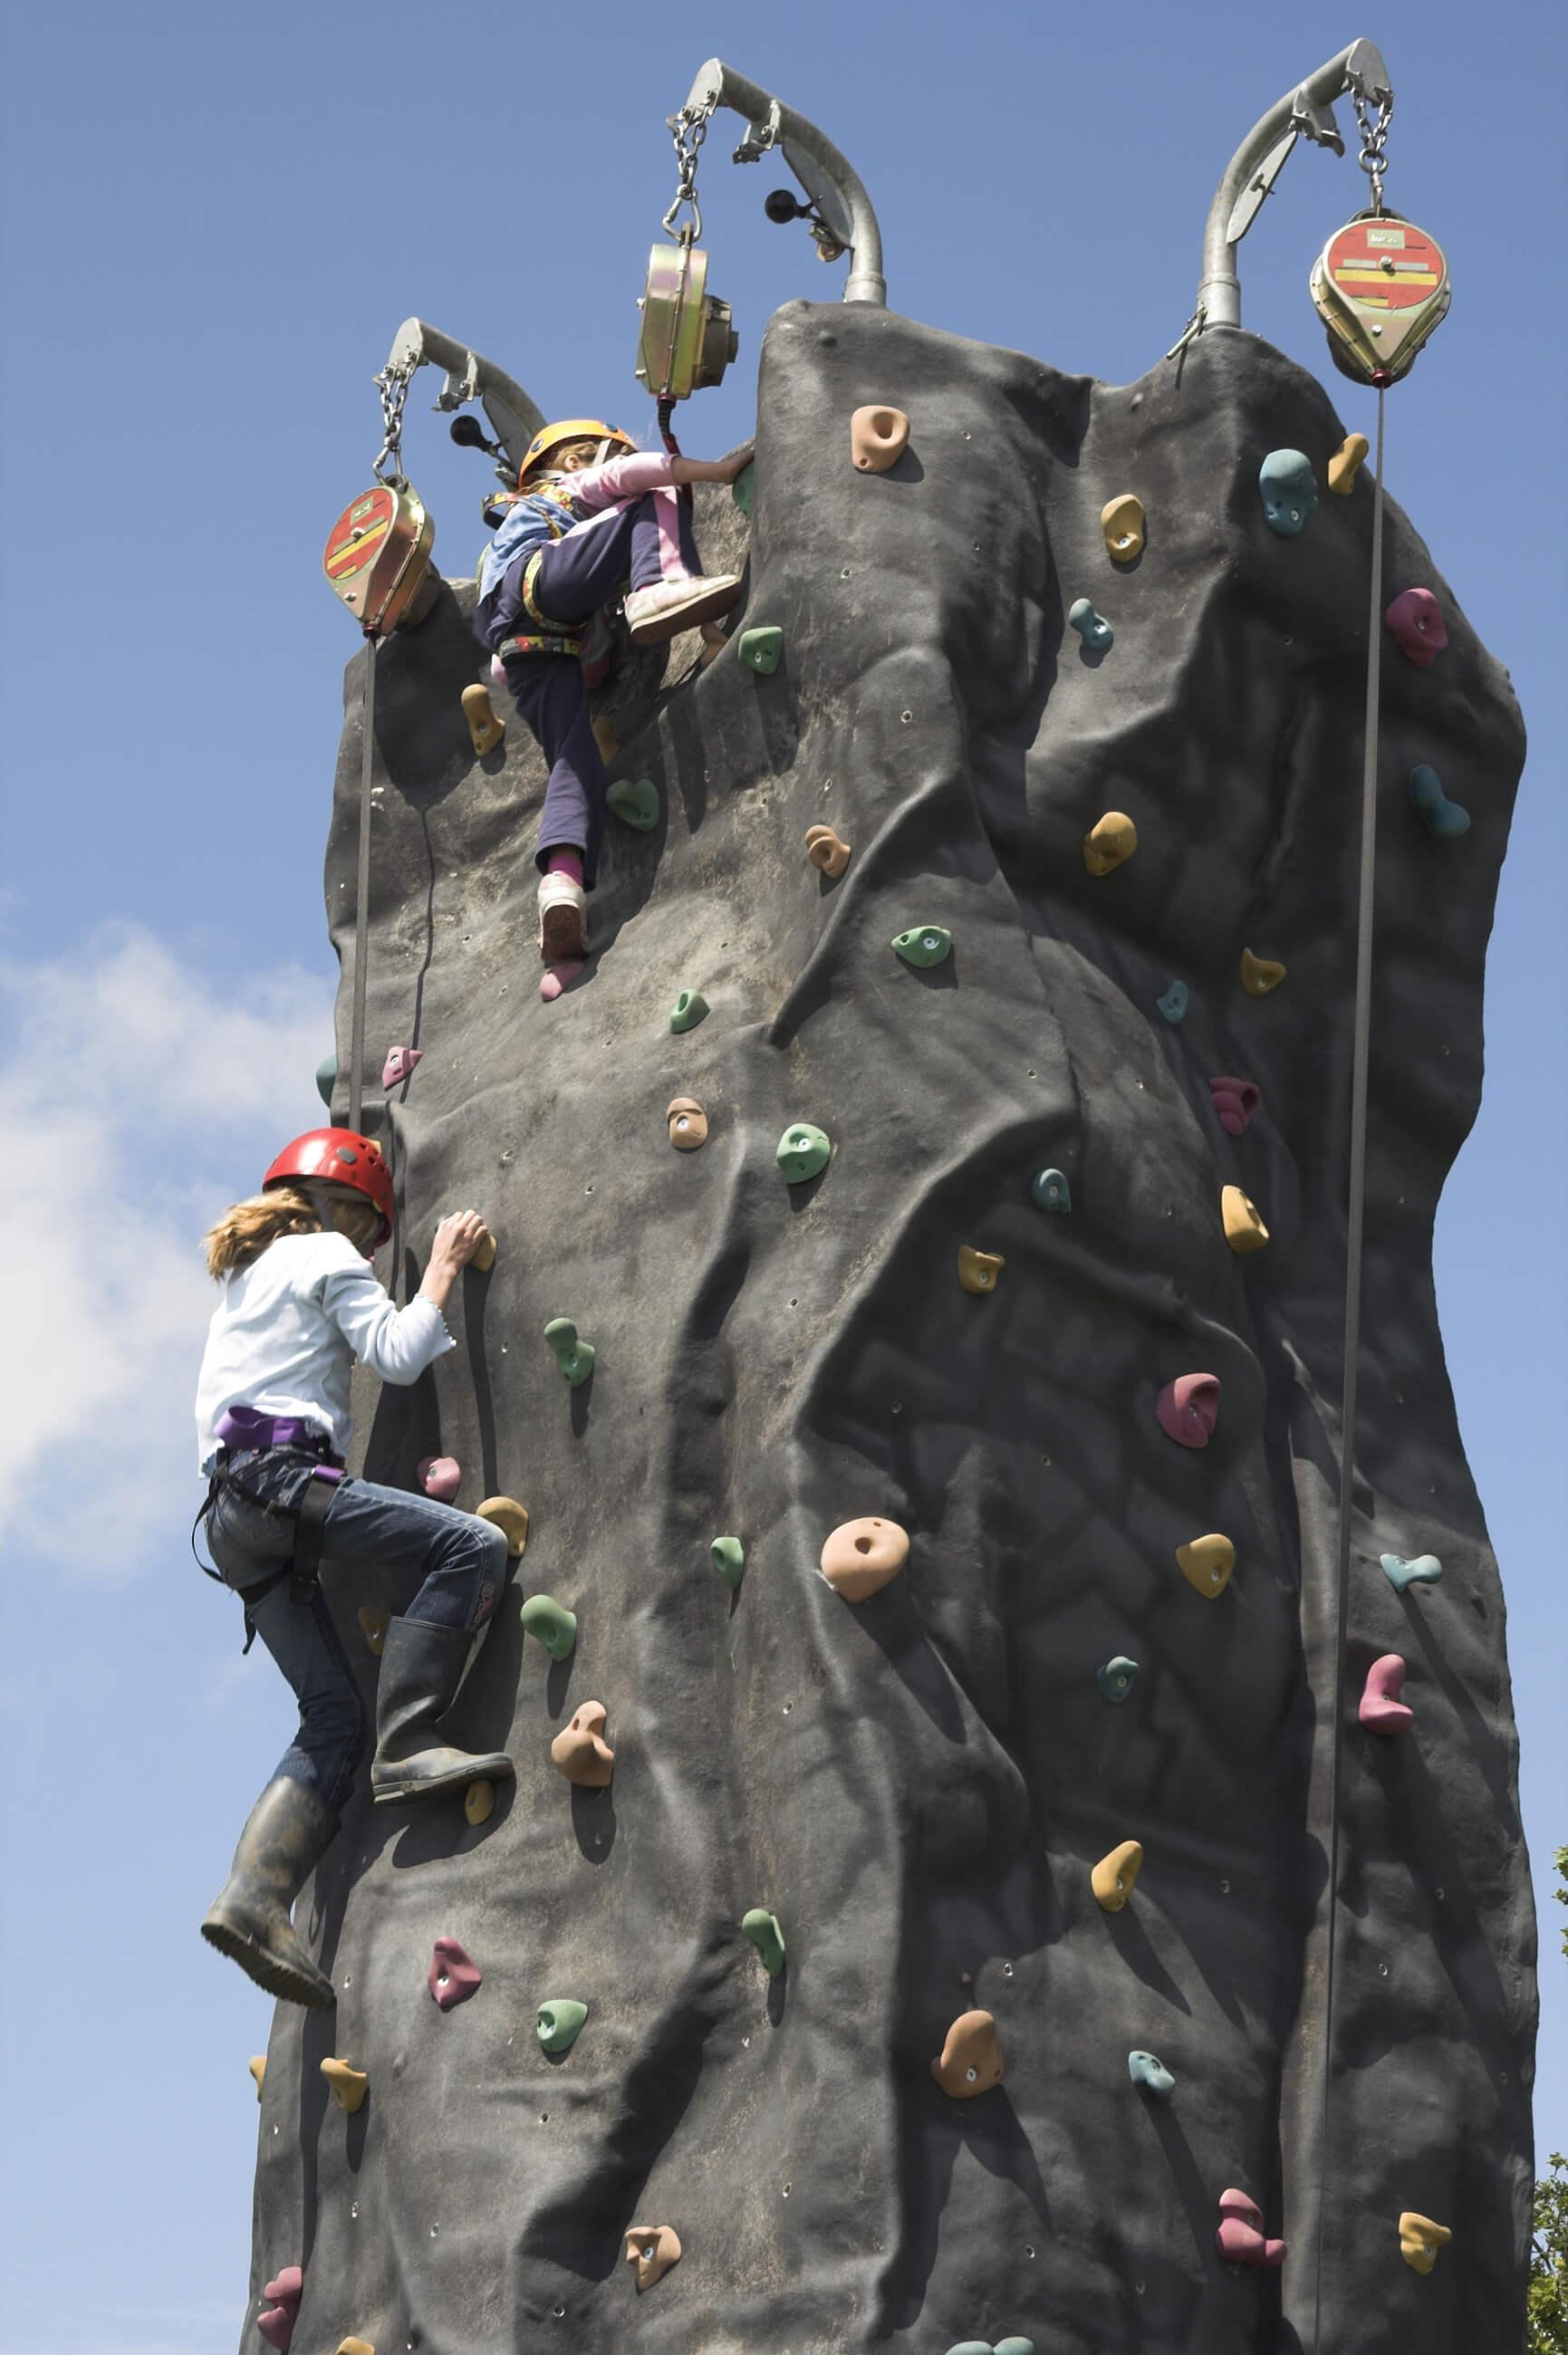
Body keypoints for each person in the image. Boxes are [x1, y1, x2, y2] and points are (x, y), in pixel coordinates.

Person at [194, 1126, 516, 2009]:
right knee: (473, 1544)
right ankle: (410, 1735)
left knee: (332, 1717)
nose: (371, 1250)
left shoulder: (244, 1280)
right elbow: (400, 1353)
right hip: (283, 1481)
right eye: (371, 1229)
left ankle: (256, 1895)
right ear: (341, 1207)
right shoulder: (324, 1249)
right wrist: (442, 1266)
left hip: (230, 1518)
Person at [473, 417, 752, 999]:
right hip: (539, 584)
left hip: (524, 649)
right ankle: (659, 584)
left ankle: (563, 884)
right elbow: (642, 473)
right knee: (657, 494)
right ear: (576, 464)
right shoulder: (564, 493)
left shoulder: (503, 542)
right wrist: (719, 473)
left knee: (575, 764)